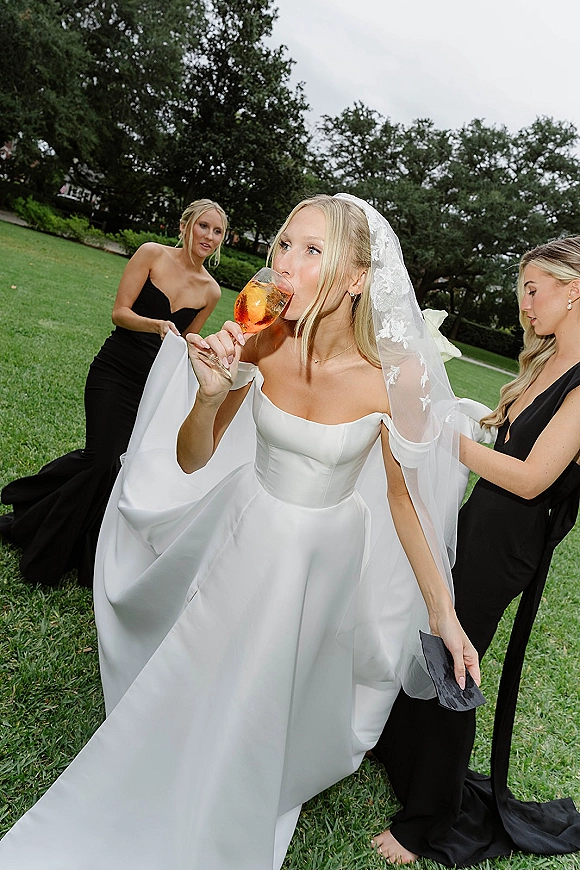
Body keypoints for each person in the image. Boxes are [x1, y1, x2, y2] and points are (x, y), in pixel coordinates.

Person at [0, 194, 479, 869]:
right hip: (248, 532)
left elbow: (404, 503)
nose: (286, 264)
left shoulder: (387, 382)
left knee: (269, 689)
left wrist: (443, 614)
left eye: (313, 251)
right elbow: (194, 456)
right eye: (285, 244)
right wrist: (209, 392)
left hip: (323, 556)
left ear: (355, 278)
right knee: (208, 663)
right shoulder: (260, 338)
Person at [371, 236, 580, 866]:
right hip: (481, 520)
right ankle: (401, 754)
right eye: (521, 288)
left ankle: (425, 822)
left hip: (511, 541)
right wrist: (439, 406)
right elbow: (503, 437)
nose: (523, 303)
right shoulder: (542, 363)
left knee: (458, 655)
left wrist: (440, 438)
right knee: (432, 630)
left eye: (533, 288)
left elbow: (530, 477)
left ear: (574, 290)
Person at [0, 198, 227, 588]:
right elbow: (120, 312)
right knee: (100, 458)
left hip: (152, 385)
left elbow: (188, 338)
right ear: (186, 225)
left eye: (217, 231)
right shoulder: (152, 255)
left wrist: (202, 350)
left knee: (118, 465)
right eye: (203, 226)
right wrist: (156, 325)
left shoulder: (211, 291)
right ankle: (31, 515)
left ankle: (78, 545)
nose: (209, 235)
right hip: (115, 369)